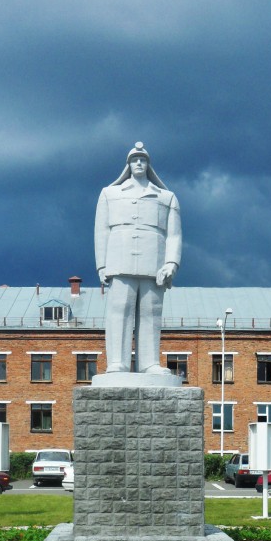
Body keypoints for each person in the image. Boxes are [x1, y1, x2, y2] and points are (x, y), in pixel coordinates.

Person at [94, 142, 181, 374]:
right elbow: (102, 230)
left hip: (154, 265)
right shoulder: (109, 194)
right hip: (119, 262)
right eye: (135, 160)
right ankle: (117, 362)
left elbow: (174, 235)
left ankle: (149, 363)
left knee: (151, 313)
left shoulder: (166, 197)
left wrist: (171, 263)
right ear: (128, 165)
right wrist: (102, 265)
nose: (139, 163)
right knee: (119, 311)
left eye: (143, 160)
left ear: (148, 165)